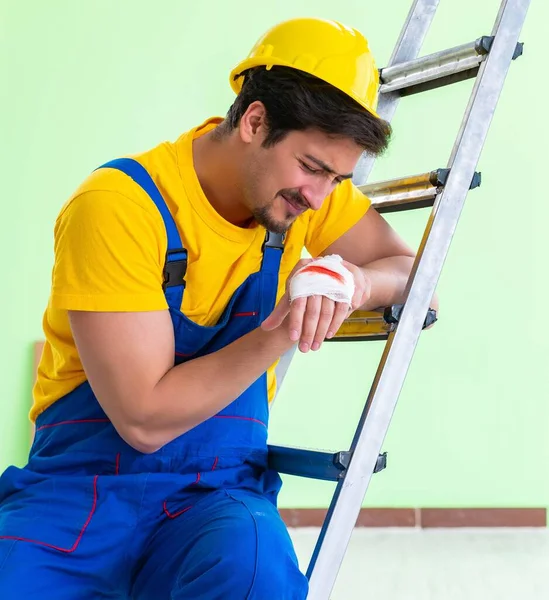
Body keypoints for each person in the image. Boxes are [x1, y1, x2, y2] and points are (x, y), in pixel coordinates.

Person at [0, 16, 437, 600]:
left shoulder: (306, 198)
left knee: (258, 573)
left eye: (337, 178)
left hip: (218, 497)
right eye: (311, 167)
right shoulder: (119, 208)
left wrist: (349, 280)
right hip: (79, 491)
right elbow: (143, 418)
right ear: (255, 121)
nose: (319, 197)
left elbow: (416, 277)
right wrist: (282, 327)